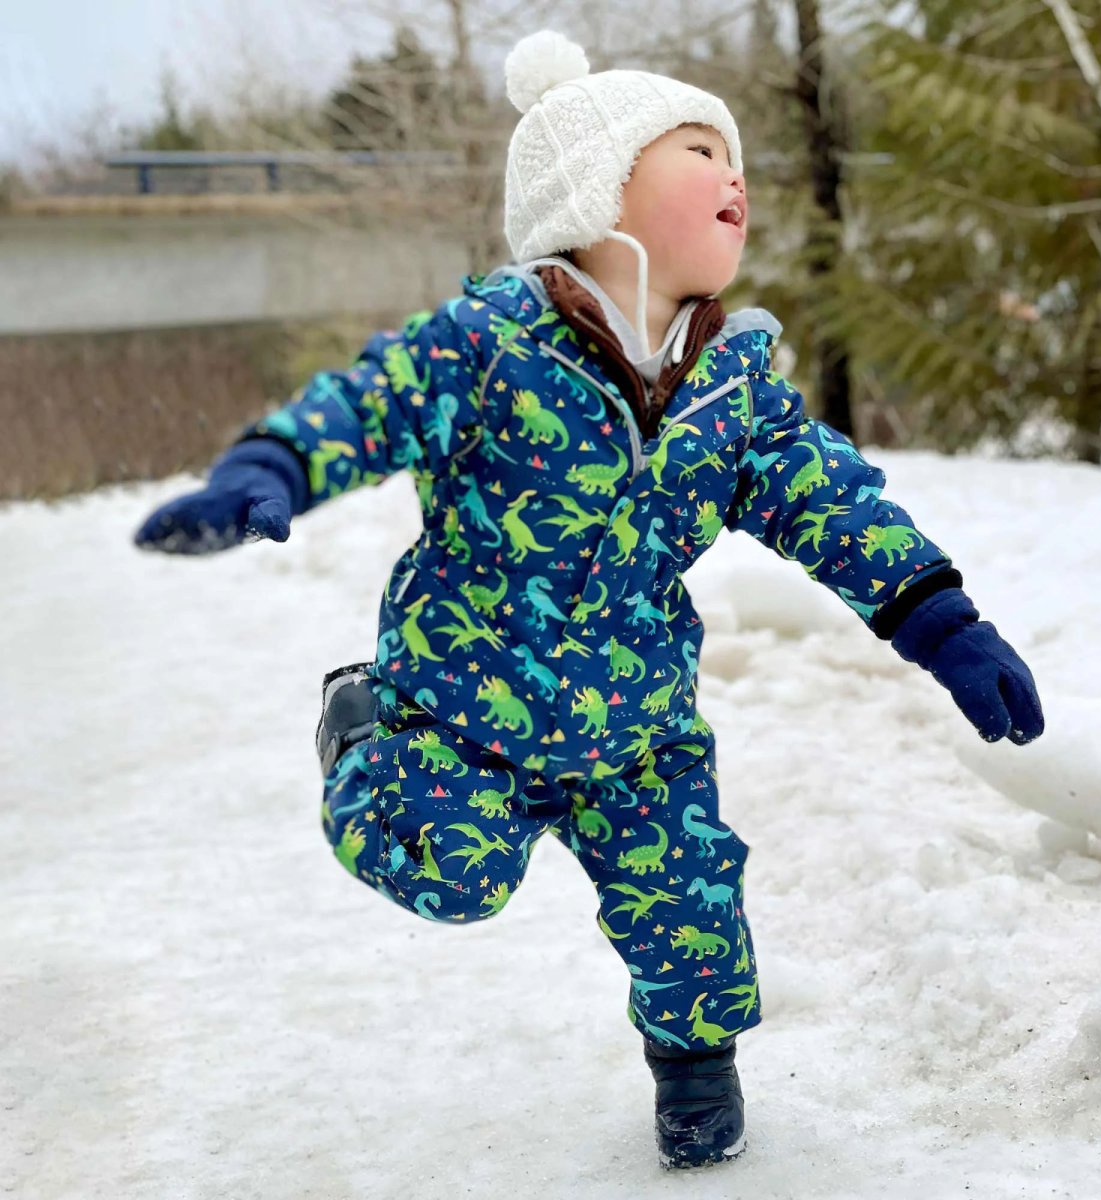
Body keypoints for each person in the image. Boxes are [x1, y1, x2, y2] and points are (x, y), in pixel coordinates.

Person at [133, 29, 1044, 1170]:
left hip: (636, 727)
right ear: (596, 185)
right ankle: (361, 726)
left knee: (696, 912)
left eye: (738, 157)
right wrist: (270, 468)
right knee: (442, 869)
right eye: (700, 148)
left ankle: (697, 1068)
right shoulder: (488, 347)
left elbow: (831, 504)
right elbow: (373, 399)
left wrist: (942, 624)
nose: (736, 177)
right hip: (465, 710)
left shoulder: (734, 385)